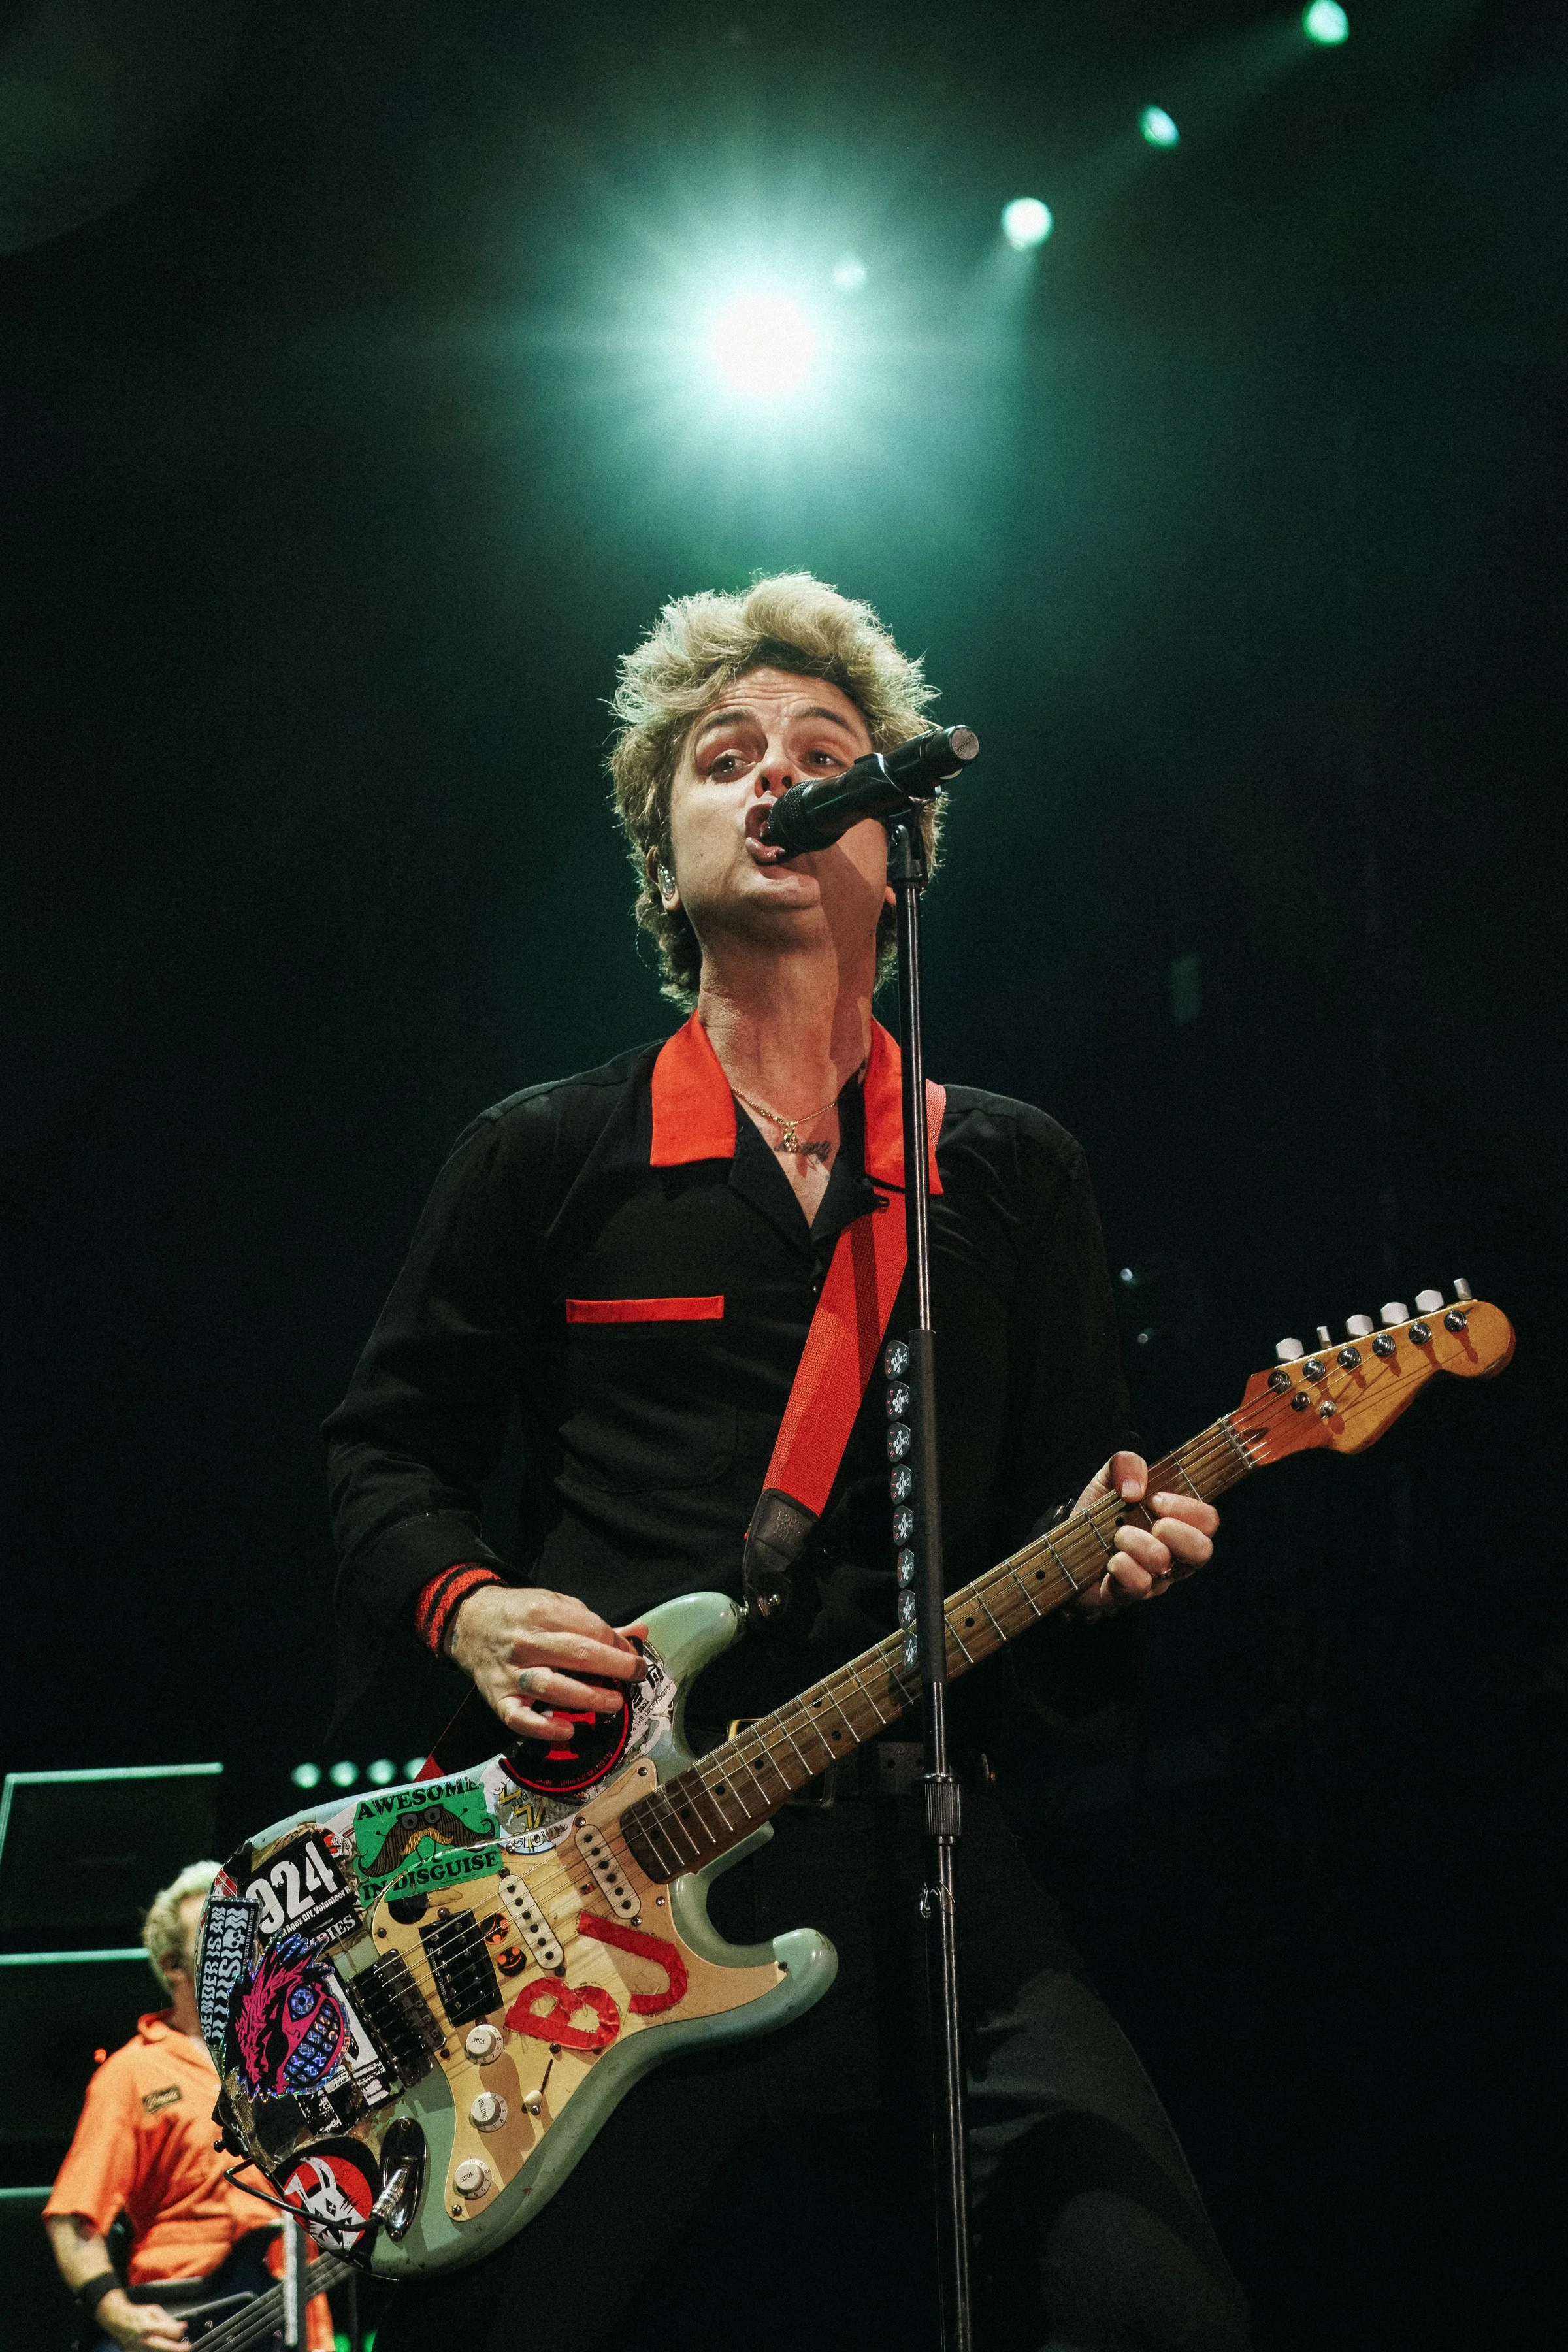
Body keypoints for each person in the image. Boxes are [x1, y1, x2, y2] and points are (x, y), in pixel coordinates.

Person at [324, 573, 1250, 2351]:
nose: (776, 781)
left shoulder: (1011, 1175)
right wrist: (472, 1608)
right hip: (591, 1885)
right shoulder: (548, 1155)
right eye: (724, 758)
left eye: (826, 757)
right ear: (661, 858)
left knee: (1156, 2306)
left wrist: (1109, 1562)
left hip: (924, 1851)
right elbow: (382, 1454)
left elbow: (1071, 1530)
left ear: (899, 849)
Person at [43, 1862, 333, 2352]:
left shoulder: (296, 2054)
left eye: (240, 1927)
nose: (234, 1943)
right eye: (212, 1933)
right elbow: (72, 2217)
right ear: (172, 1965)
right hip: (189, 2321)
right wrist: (115, 2315)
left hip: (299, 2318)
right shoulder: (131, 2073)